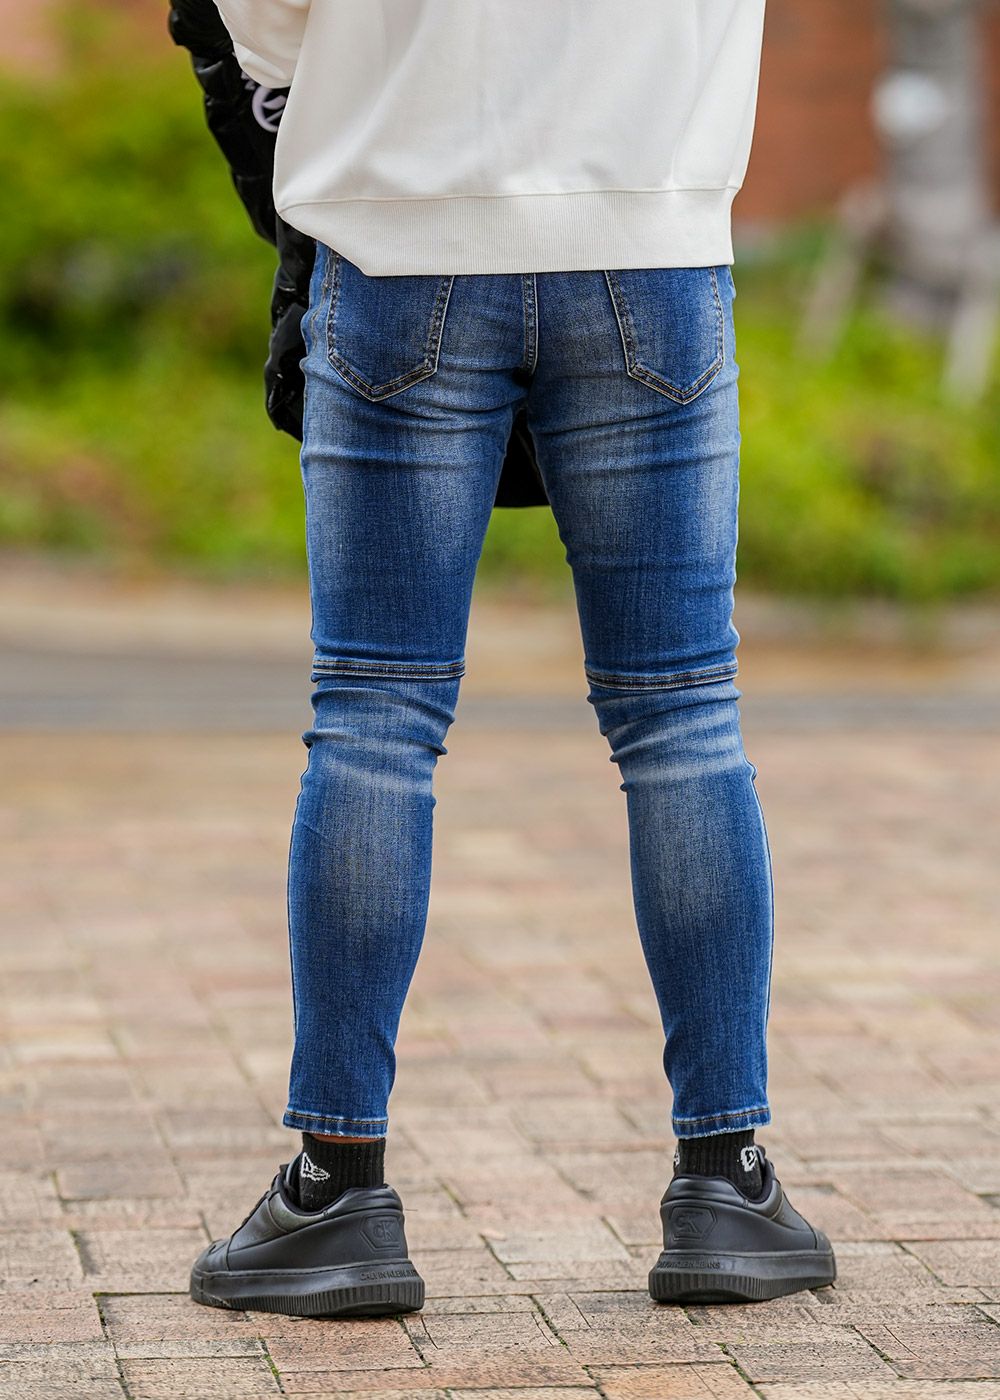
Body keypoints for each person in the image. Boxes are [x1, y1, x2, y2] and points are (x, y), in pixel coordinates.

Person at [187, 0, 837, 1316]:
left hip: (399, 231)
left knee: (375, 717)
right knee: (683, 720)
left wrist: (326, 87)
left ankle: (337, 1192)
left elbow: (257, 11)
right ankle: (726, 1181)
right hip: (648, 236)